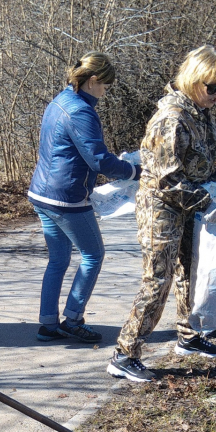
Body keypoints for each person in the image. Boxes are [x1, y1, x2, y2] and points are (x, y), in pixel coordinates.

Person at [107, 45, 216, 382]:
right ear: (193, 81)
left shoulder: (199, 111)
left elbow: (205, 159)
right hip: (162, 206)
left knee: (191, 271)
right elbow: (167, 180)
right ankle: (124, 353)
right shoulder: (172, 117)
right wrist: (207, 203)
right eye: (212, 87)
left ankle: (189, 336)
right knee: (157, 281)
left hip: (190, 203)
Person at [27, 52, 139, 344]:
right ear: (92, 81)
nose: (106, 91)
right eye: (105, 85)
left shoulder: (59, 101)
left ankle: (48, 324)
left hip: (42, 193)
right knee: (93, 255)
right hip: (66, 198)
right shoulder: (80, 111)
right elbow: (99, 161)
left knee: (58, 260)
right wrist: (133, 171)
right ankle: (73, 320)